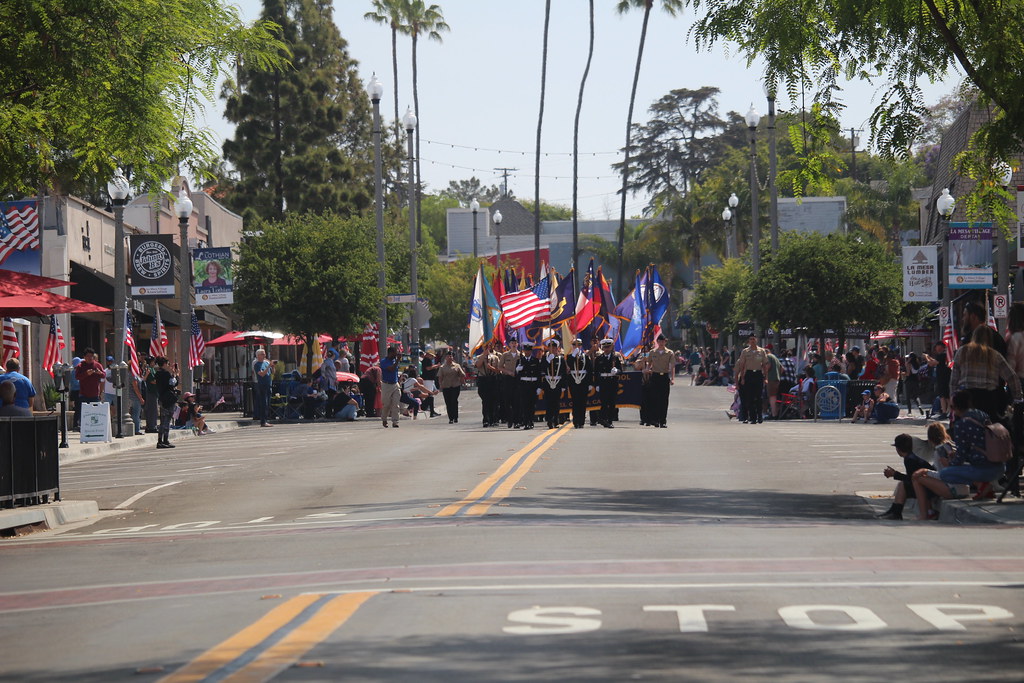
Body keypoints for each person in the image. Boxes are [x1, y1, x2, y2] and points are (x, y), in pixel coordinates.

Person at [912, 390, 1006, 519]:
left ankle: (982, 484)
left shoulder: (962, 424)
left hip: (983, 469)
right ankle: (986, 488)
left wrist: (950, 463)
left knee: (946, 473)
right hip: (1000, 467)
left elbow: (961, 454)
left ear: (954, 408)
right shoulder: (981, 415)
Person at [949, 324, 1021, 421]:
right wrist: (1017, 397)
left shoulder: (962, 352)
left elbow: (954, 379)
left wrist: (953, 396)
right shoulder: (994, 355)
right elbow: (1012, 377)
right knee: (988, 429)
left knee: (966, 427)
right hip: (988, 399)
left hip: (966, 398)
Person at [877, 433, 936, 520]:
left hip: (929, 489)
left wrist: (894, 474)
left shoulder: (910, 460)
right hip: (929, 485)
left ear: (898, 449)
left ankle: (896, 512)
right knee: (902, 484)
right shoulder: (911, 457)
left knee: (903, 485)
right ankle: (895, 511)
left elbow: (911, 479)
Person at [735, 335, 769, 424]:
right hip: (749, 374)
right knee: (750, 397)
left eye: (754, 339)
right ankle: (753, 418)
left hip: (758, 374)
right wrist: (742, 378)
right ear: (749, 341)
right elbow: (742, 365)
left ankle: (759, 416)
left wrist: (766, 378)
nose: (752, 340)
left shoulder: (761, 351)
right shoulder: (745, 351)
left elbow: (765, 365)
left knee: (759, 397)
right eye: (750, 339)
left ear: (756, 340)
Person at [644, 334, 675, 428]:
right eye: (660, 341)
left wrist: (672, 378)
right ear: (657, 342)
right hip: (655, 376)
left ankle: (663, 421)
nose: (661, 343)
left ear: (665, 342)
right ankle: (655, 420)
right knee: (655, 399)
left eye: (663, 341)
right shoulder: (653, 352)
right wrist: (647, 369)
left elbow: (672, 366)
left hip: (664, 376)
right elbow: (649, 364)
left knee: (664, 400)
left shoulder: (669, 353)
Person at [593, 338, 622, 428]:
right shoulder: (599, 358)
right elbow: (596, 372)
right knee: (604, 402)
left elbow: (621, 371)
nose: (606, 349)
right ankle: (603, 419)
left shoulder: (615, 358)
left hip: (612, 381)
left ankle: (609, 420)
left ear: (611, 347)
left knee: (612, 402)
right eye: (605, 347)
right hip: (603, 381)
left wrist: (616, 371)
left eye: (608, 347)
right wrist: (597, 384)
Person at [565, 338, 592, 429]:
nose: (576, 347)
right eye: (574, 345)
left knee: (582, 401)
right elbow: (569, 365)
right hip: (573, 381)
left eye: (578, 345)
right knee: (575, 401)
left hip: (583, 381)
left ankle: (581, 421)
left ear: (581, 346)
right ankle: (576, 421)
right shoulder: (569, 357)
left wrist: (590, 383)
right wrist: (573, 355)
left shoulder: (585, 356)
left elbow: (589, 370)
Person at [474, 341, 502, 427]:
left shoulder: (495, 358)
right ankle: (486, 419)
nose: (488, 348)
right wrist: (483, 356)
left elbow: (499, 370)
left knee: (494, 401)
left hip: (493, 379)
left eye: (489, 346)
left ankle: (494, 419)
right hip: (483, 380)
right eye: (486, 347)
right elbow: (477, 365)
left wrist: (491, 368)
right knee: (485, 401)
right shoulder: (479, 357)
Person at [541, 339, 567, 429]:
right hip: (548, 383)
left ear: (557, 348)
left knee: (556, 403)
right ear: (548, 348)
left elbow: (563, 373)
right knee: (549, 402)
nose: (553, 349)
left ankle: (556, 420)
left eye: (554, 348)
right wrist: (548, 361)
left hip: (558, 382)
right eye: (551, 347)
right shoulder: (545, 358)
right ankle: (549, 420)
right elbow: (542, 370)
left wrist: (563, 385)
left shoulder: (561, 359)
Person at [517, 342, 543, 429]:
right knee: (524, 405)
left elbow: (539, 375)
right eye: (526, 350)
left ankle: (531, 421)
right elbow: (516, 376)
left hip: (533, 385)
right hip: (524, 385)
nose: (527, 352)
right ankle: (525, 422)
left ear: (531, 351)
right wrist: (518, 370)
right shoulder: (520, 360)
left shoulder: (535, 361)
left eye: (529, 350)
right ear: (523, 351)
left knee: (532, 405)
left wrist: (539, 387)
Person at [154, 357, 178, 449]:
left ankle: (160, 440)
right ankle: (165, 440)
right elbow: (173, 383)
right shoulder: (166, 374)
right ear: (164, 364)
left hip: (162, 398)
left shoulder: (157, 373)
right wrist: (175, 375)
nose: (168, 365)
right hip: (168, 398)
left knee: (163, 420)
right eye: (167, 364)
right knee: (167, 420)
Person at [437, 351, 467, 423]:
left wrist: (463, 382)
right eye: (448, 356)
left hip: (455, 386)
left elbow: (462, 375)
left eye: (451, 356)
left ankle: (455, 417)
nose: (450, 357)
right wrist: (440, 385)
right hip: (446, 386)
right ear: (446, 358)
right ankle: (450, 418)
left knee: (454, 401)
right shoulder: (442, 367)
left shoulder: (457, 366)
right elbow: (440, 377)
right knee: (448, 402)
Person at [498, 339, 521, 428]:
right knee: (507, 401)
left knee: (517, 401)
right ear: (509, 345)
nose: (514, 344)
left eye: (515, 343)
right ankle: (509, 420)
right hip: (507, 379)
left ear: (517, 344)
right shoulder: (505, 355)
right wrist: (508, 372)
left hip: (517, 379)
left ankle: (516, 421)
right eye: (512, 343)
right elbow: (499, 367)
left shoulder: (520, 355)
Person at [252, 348, 275, 428]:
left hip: (269, 384)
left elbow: (272, 372)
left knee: (267, 403)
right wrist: (269, 366)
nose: (264, 355)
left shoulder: (266, 363)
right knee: (263, 403)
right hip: (262, 385)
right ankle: (263, 421)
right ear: (258, 355)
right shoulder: (257, 364)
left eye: (264, 354)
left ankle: (266, 420)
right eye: (263, 354)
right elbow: (261, 374)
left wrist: (273, 366)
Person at [929, 341, 952, 419]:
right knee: (945, 395)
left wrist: (926, 358)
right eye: (936, 347)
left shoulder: (942, 355)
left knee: (944, 396)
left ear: (943, 347)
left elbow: (932, 363)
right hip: (943, 377)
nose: (937, 349)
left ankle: (945, 411)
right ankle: (947, 411)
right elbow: (935, 361)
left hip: (943, 378)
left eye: (939, 347)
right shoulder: (944, 355)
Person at [380, 346, 401, 428]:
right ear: (391, 353)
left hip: (395, 384)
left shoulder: (395, 360)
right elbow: (391, 369)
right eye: (395, 352)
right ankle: (384, 419)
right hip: (386, 385)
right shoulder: (384, 361)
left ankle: (395, 421)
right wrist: (398, 360)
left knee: (396, 404)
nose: (397, 354)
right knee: (386, 404)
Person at [903, 352, 927, 417]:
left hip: (909, 380)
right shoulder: (917, 364)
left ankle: (909, 411)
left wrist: (903, 373)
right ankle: (919, 406)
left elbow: (908, 373)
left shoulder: (908, 364)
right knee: (915, 396)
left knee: (908, 397)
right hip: (916, 380)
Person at [420, 349, 441, 418]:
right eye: (431, 356)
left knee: (430, 395)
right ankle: (424, 406)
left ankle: (432, 410)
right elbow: (428, 368)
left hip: (430, 379)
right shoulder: (427, 360)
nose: (432, 357)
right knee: (429, 395)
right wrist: (436, 366)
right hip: (427, 379)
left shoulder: (427, 360)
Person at [765, 346, 782, 419]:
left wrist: (763, 372)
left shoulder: (768, 356)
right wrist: (778, 374)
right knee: (775, 396)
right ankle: (776, 413)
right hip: (777, 379)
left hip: (771, 379)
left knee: (772, 397)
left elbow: (768, 366)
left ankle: (774, 414)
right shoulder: (775, 357)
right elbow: (782, 368)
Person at [143, 355, 159, 433]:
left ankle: (151, 426)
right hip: (150, 392)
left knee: (153, 410)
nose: (154, 363)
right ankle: (152, 427)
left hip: (154, 392)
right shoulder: (149, 370)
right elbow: (153, 381)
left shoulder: (152, 369)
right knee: (152, 410)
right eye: (153, 361)